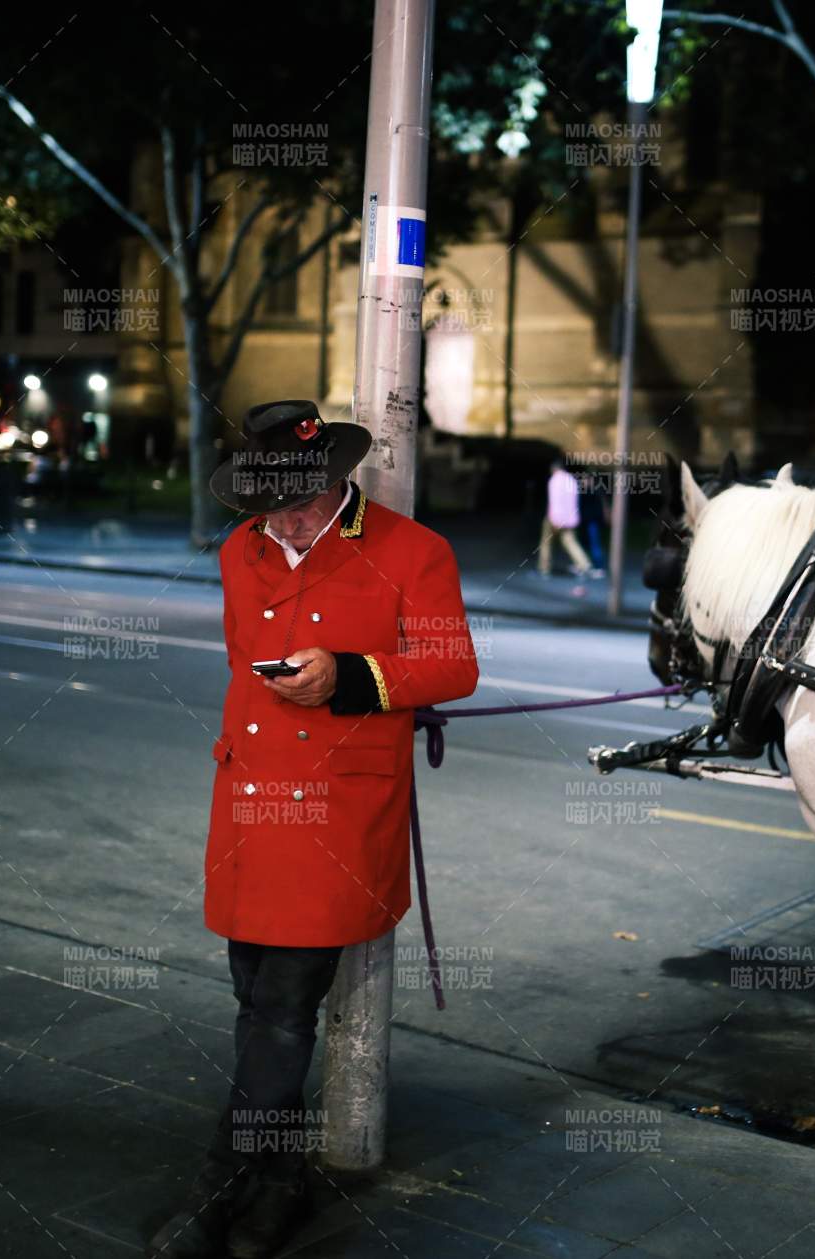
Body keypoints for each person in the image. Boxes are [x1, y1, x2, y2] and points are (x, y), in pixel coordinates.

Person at [147, 400, 478, 1259]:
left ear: (338, 478)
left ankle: (217, 1187)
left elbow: (453, 664)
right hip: (250, 806)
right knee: (255, 1003)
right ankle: (281, 1183)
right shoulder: (237, 550)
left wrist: (349, 676)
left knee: (284, 1011)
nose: (284, 517)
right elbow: (237, 657)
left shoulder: (413, 551)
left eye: (299, 498)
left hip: (338, 813)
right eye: (269, 502)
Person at [538, 455, 593, 578]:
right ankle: (584, 565)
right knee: (570, 542)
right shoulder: (571, 480)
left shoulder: (554, 480)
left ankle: (544, 567)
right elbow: (574, 500)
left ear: (554, 469)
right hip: (570, 518)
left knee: (546, 543)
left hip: (555, 517)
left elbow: (554, 500)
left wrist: (552, 517)